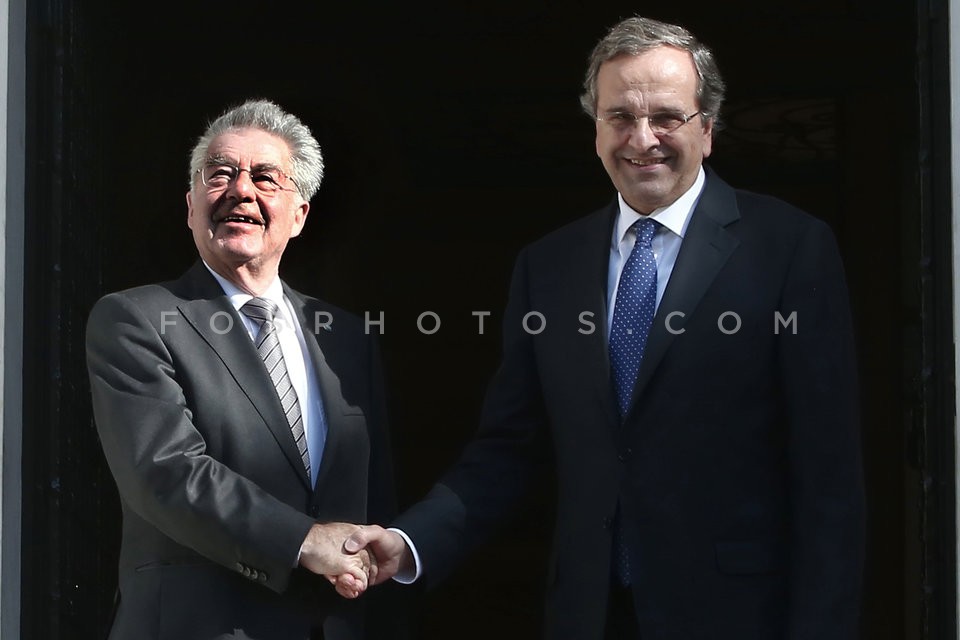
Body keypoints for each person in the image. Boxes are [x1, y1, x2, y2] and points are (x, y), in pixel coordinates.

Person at [339, 15, 865, 640]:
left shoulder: (788, 248)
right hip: (588, 614)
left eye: (666, 117)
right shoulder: (548, 266)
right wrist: (411, 542)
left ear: (707, 129)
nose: (642, 139)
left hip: (734, 614)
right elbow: (509, 449)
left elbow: (828, 475)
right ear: (595, 130)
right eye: (620, 117)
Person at [85, 98, 400, 640]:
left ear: (299, 215)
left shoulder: (346, 338)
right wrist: (305, 540)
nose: (241, 191)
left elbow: (377, 500)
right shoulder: (136, 319)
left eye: (265, 177)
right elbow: (164, 471)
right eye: (220, 174)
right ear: (191, 207)